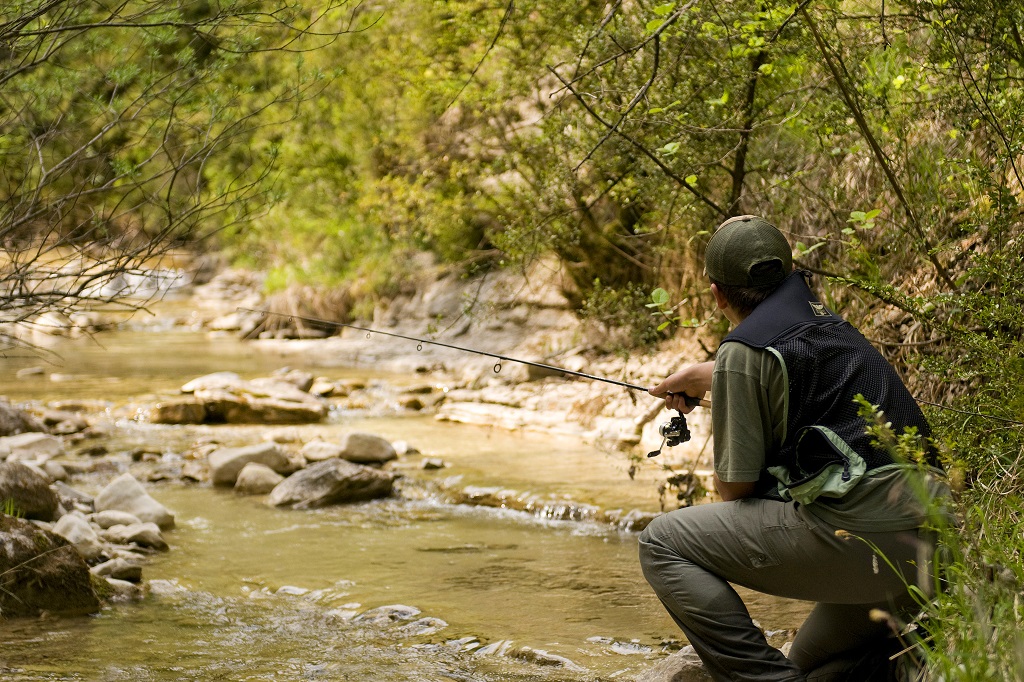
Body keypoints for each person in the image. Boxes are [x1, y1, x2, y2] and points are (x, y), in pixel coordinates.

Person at [641, 215, 947, 681]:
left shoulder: (742, 352)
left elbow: (736, 488)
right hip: (936, 549)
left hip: (867, 543)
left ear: (717, 293)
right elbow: (789, 373)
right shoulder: (828, 323)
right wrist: (718, 377)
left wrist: (729, 385)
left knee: (660, 542)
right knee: (806, 664)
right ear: (787, 273)